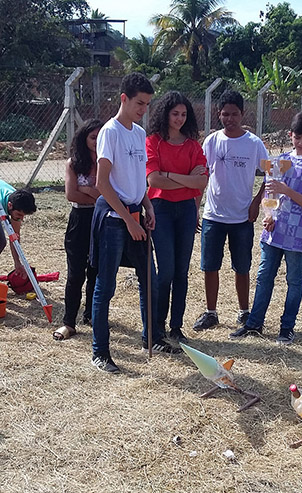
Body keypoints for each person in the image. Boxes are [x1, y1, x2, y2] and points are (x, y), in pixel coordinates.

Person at [90, 72, 179, 374]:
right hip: (114, 220)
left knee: (148, 280)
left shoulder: (139, 134)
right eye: (140, 103)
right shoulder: (109, 132)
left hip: (136, 215)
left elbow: (137, 177)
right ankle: (100, 352)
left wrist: (147, 205)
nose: (144, 109)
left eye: (147, 104)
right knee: (106, 284)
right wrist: (129, 220)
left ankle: (150, 338)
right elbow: (103, 183)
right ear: (124, 99)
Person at [229, 112, 302, 344]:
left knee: (294, 280)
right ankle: (254, 323)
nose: (301, 143)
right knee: (264, 276)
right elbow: (270, 194)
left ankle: (287, 327)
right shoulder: (280, 161)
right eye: (297, 137)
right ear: (290, 135)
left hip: (299, 235)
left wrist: (289, 191)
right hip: (274, 232)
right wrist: (268, 215)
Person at [192, 90, 268, 332]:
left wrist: (257, 202)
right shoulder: (212, 142)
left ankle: (244, 312)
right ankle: (211, 312)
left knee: (242, 267)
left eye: (234, 114)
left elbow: (270, 173)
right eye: (225, 114)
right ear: (219, 114)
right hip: (213, 216)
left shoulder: (254, 143)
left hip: (242, 217)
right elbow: (201, 176)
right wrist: (196, 207)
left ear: (242, 114)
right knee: (210, 265)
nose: (229, 118)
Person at [145, 91, 208, 344]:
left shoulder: (193, 145)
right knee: (167, 270)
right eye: (175, 114)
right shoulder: (153, 142)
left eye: (183, 114)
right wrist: (185, 179)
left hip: (186, 210)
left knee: (182, 272)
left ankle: (176, 326)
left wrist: (170, 175)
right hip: (160, 209)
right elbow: (153, 180)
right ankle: (157, 327)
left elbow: (202, 181)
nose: (179, 119)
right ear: (165, 113)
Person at [53, 119, 103, 341]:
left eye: (101, 137)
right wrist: (95, 192)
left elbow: (106, 194)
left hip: (100, 219)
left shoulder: (106, 162)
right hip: (79, 220)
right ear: (84, 138)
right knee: (75, 274)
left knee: (97, 271)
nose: (96, 141)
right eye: (93, 137)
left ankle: (92, 315)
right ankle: (69, 322)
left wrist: (87, 189)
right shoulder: (73, 163)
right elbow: (71, 195)